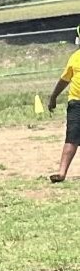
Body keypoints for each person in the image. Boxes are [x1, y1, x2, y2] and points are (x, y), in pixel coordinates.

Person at [44, 25, 80, 183]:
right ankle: (62, 172)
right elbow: (64, 80)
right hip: (76, 102)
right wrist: (53, 97)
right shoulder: (75, 57)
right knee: (71, 137)